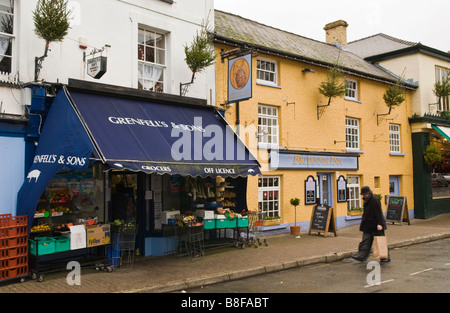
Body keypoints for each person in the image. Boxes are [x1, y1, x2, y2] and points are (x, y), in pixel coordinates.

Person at [352, 186, 390, 263]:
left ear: (368, 193)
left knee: (380, 242)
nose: (363, 196)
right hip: (368, 225)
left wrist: (380, 224)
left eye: (364, 194)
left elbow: (378, 213)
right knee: (365, 241)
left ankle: (385, 256)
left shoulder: (374, 200)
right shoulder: (367, 200)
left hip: (376, 225)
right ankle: (361, 256)